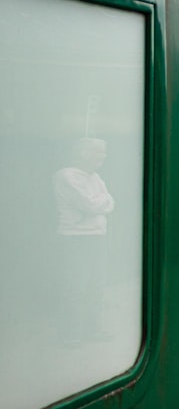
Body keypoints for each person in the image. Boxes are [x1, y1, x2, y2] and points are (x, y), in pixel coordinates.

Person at [54, 137, 115, 342]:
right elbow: (91, 205)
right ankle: (70, 335)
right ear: (82, 153)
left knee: (96, 286)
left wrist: (101, 202)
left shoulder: (96, 177)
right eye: (98, 151)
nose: (103, 156)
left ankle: (92, 331)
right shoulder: (66, 176)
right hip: (74, 239)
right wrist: (101, 202)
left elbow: (110, 202)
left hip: (97, 238)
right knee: (75, 287)